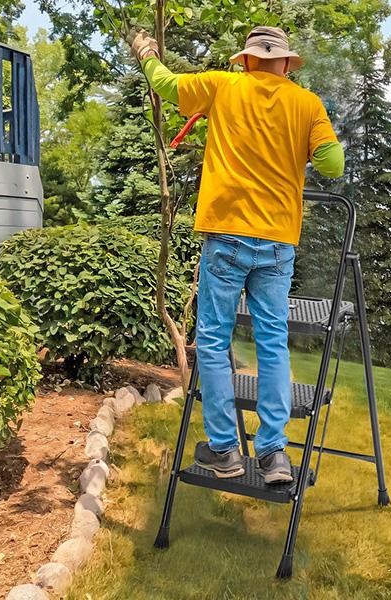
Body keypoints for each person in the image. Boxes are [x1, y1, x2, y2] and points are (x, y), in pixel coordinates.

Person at [127, 26, 345, 484]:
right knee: (272, 342)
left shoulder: (221, 86)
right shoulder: (307, 104)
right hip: (278, 241)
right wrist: (298, 148)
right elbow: (332, 165)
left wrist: (146, 51)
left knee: (212, 340)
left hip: (225, 236)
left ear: (245, 60)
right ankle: (273, 454)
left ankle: (224, 450)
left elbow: (165, 84)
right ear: (285, 63)